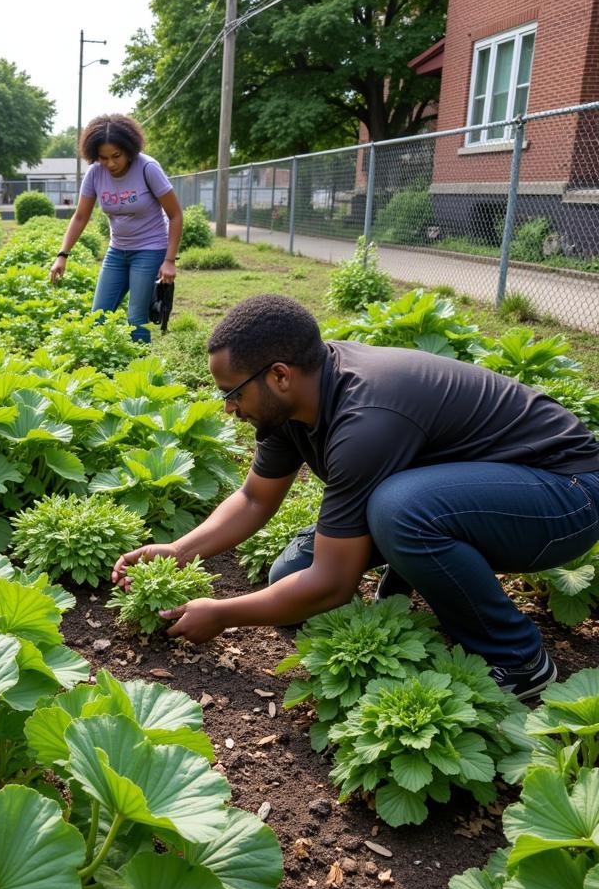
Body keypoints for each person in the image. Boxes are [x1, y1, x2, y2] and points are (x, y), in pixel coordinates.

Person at [113, 293, 599, 699]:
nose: (228, 407)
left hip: (564, 495)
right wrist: (178, 551)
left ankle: (520, 659)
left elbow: (332, 585)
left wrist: (223, 613)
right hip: (488, 489)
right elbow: (255, 499)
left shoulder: (365, 417)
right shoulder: (294, 399)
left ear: (279, 375)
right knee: (289, 574)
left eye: (233, 392)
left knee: (399, 509)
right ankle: (414, 569)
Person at [50, 114, 182, 344]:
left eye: (116, 156)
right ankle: (106, 368)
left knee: (136, 318)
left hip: (150, 249)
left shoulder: (147, 168)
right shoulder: (95, 173)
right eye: (103, 157)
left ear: (129, 149)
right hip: (117, 251)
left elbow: (175, 215)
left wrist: (169, 260)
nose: (110, 163)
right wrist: (62, 254)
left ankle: (140, 373)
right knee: (98, 316)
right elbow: (80, 216)